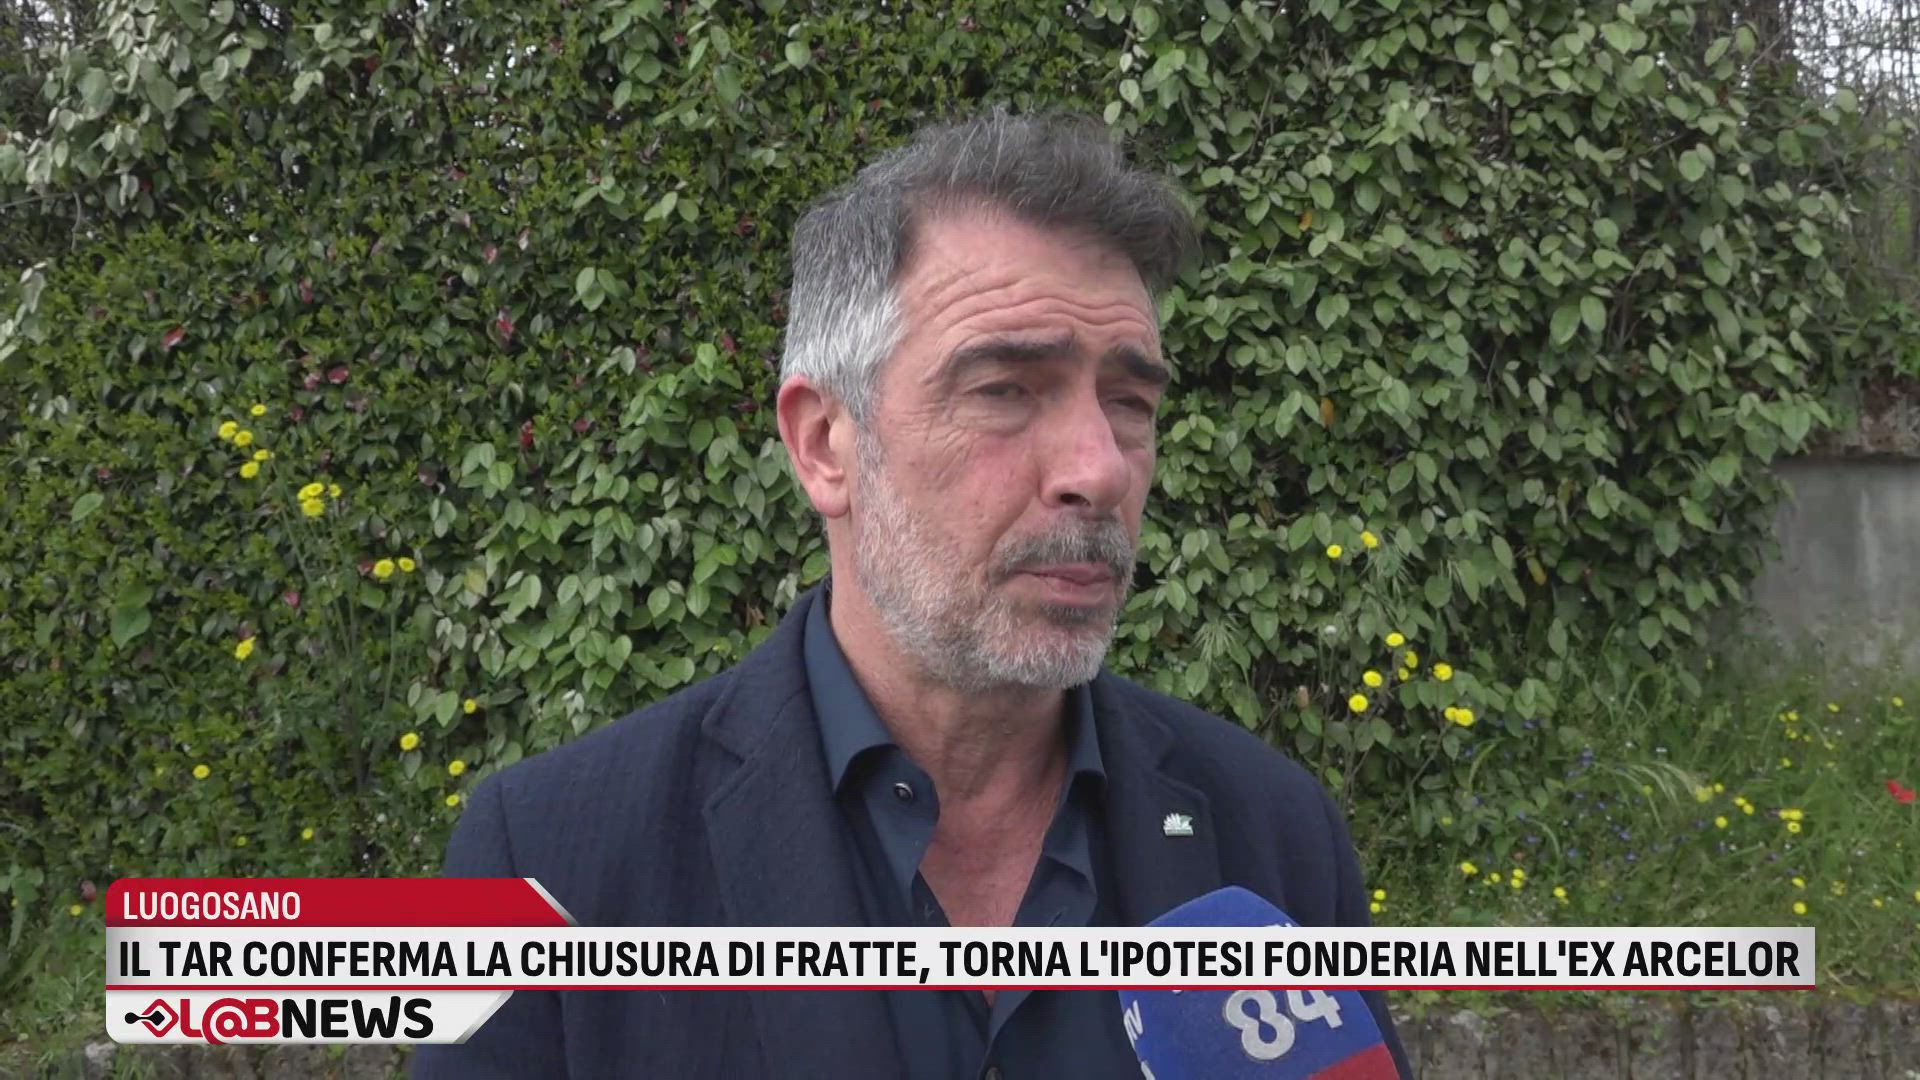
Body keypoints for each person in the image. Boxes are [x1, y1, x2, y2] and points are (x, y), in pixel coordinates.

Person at [413, 109, 1409, 1080]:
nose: (1101, 468)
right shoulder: (544, 863)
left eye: (1130, 401)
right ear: (823, 445)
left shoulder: (1277, 839)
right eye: (1005, 390)